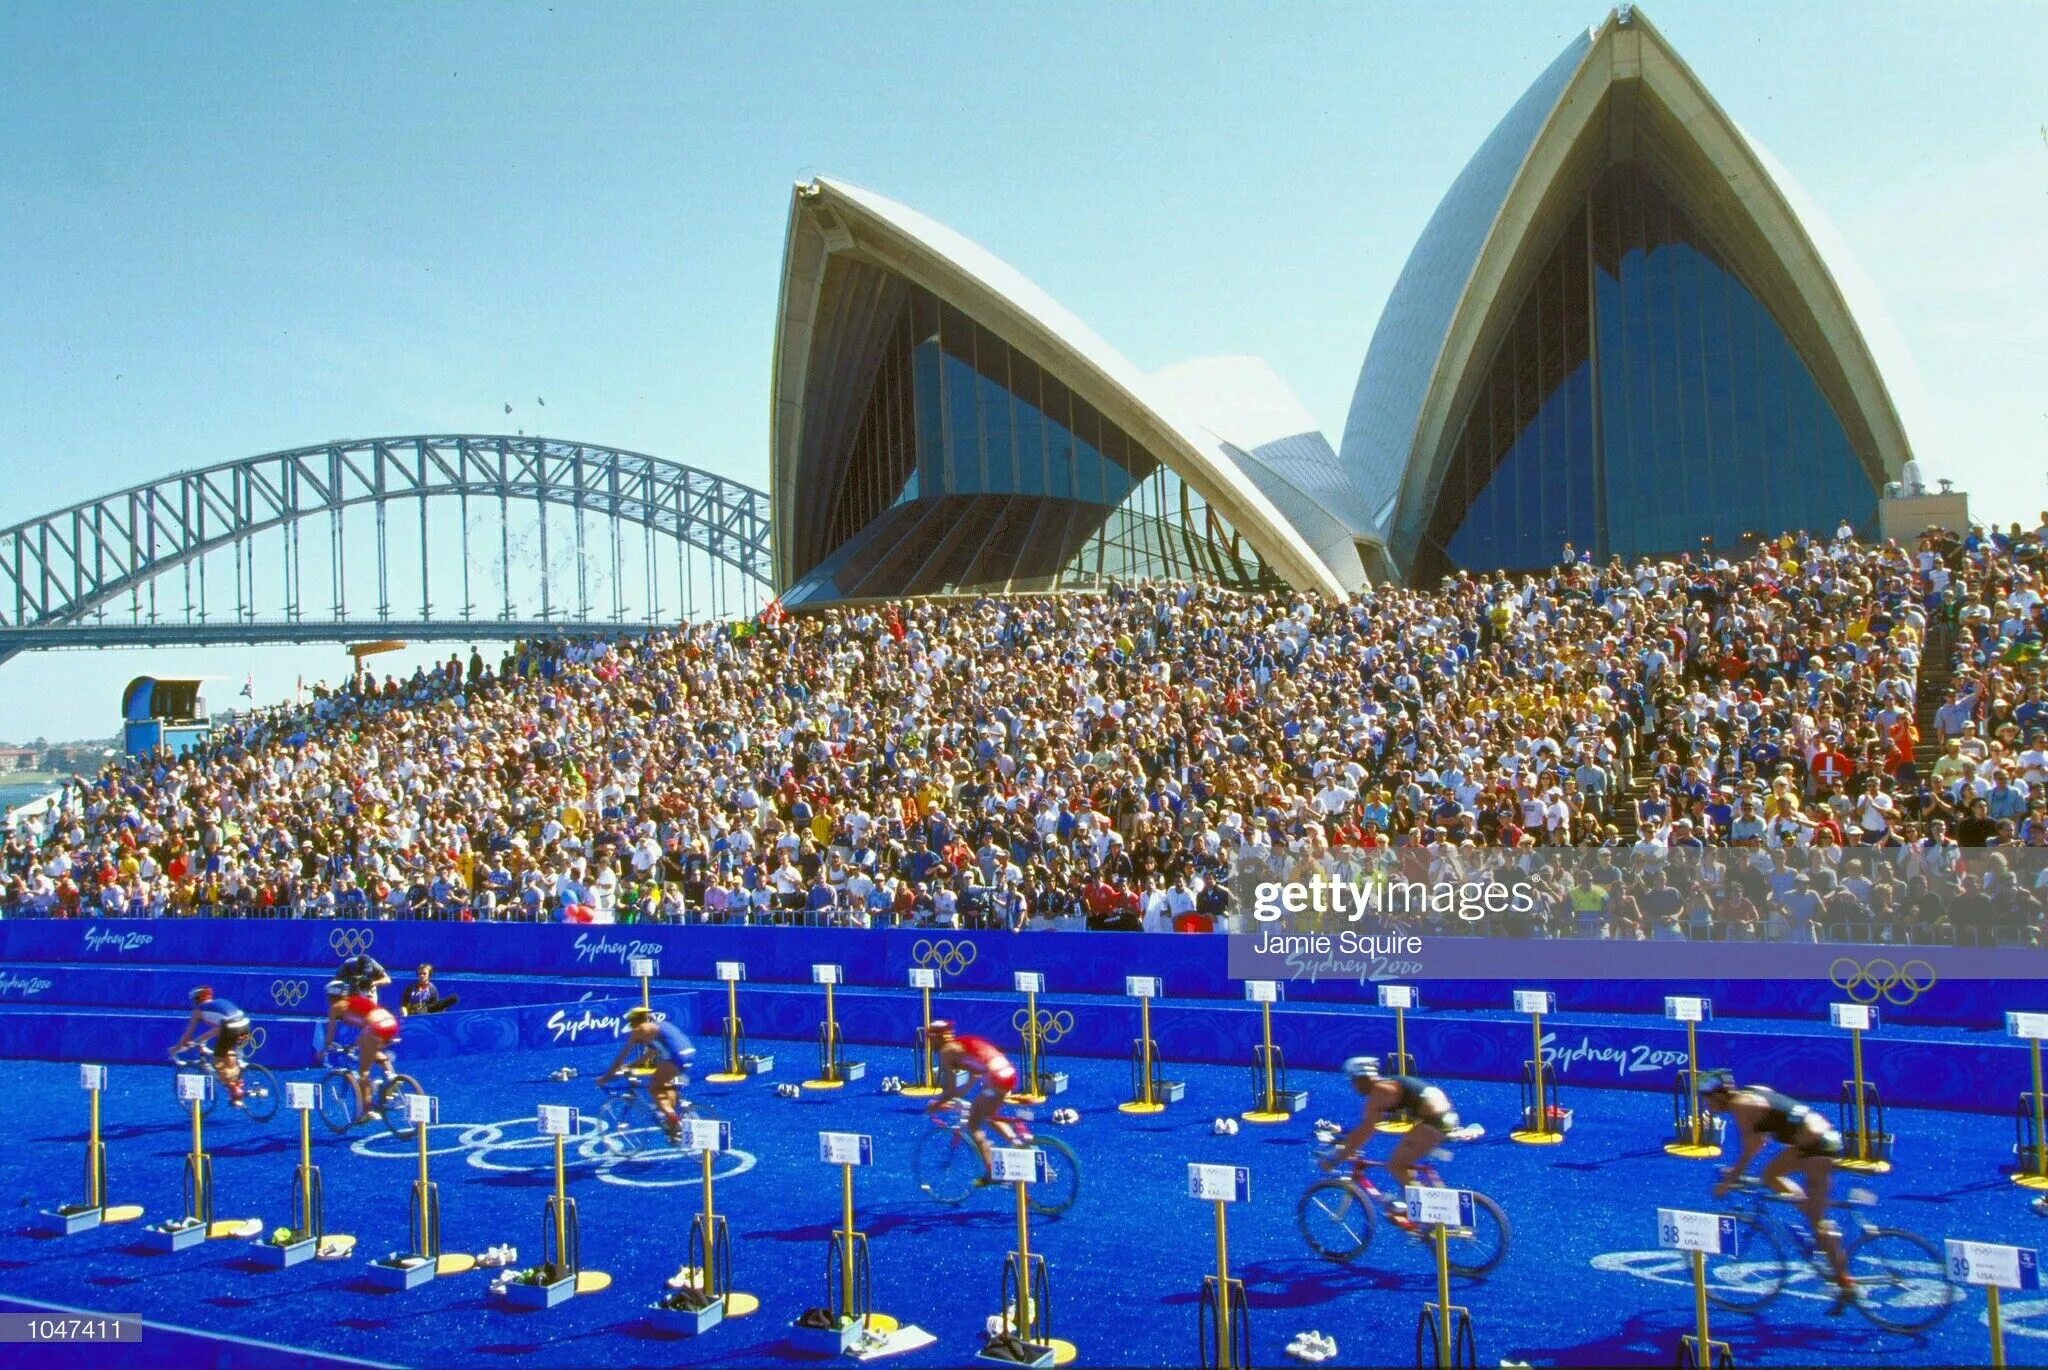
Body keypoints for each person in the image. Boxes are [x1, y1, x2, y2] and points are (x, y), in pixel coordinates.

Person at [1697, 1071, 1856, 1311]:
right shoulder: (1752, 1092)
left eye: (1707, 1098)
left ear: (1720, 1095)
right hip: (1812, 1141)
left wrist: (1729, 1181)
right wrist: (1735, 1173)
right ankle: (1810, 1210)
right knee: (1769, 1176)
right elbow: (1762, 1140)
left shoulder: (1742, 1107)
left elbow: (1750, 1150)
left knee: (1819, 1224)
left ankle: (1846, 1284)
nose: (1705, 1104)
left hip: (1818, 1148)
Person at [1326, 1057, 1460, 1204]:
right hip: (1439, 1116)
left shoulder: (1380, 1091)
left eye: (1353, 1080)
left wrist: (1336, 1157)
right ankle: (1415, 1205)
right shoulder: (1387, 1084)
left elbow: (1366, 1130)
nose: (1353, 1086)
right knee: (1405, 1161)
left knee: (1396, 1165)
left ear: (1362, 1078)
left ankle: (1423, 1214)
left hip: (1433, 1121)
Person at [923, 1019, 1021, 1181]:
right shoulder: (962, 1044)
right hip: (1008, 1073)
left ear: (935, 1038)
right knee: (989, 1114)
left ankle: (992, 1170)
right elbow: (975, 1074)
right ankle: (1017, 1142)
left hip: (995, 1077)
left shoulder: (946, 1051)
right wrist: (961, 1093)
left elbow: (951, 1090)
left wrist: (937, 1104)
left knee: (973, 1123)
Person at [598, 1006, 695, 1142]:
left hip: (676, 1056)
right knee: (665, 1086)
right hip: (689, 1053)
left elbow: (622, 1055)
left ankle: (675, 1122)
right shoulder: (659, 1026)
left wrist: (607, 1077)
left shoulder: (640, 1030)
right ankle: (672, 1121)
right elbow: (651, 1053)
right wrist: (631, 1066)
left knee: (654, 1088)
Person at [322, 978, 402, 1121]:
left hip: (375, 1026)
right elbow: (363, 1029)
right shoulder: (359, 1000)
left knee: (363, 1072)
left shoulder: (336, 1007)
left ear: (333, 995)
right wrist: (356, 1044)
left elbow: (331, 1032)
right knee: (372, 1050)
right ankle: (391, 1077)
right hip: (391, 1023)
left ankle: (367, 1110)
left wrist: (325, 1048)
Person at [170, 986, 251, 1105]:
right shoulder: (220, 1003)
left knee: (219, 1062)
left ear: (197, 1000)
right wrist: (201, 1039)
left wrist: (175, 1050)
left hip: (230, 1028)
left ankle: (235, 1091)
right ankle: (238, 1074)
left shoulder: (198, 1011)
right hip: (244, 1025)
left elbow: (187, 1035)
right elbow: (219, 1028)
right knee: (229, 1054)